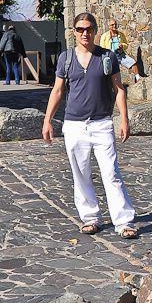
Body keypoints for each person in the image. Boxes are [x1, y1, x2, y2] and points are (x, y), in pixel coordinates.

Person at [42, 12, 138, 239]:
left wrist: (124, 119)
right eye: (80, 29)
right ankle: (90, 218)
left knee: (111, 173)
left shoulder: (107, 56)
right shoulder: (66, 58)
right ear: (74, 32)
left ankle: (123, 222)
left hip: (102, 123)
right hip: (74, 125)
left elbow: (119, 89)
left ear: (95, 31)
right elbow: (57, 91)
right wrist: (47, 120)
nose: (85, 33)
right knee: (80, 173)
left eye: (89, 29)